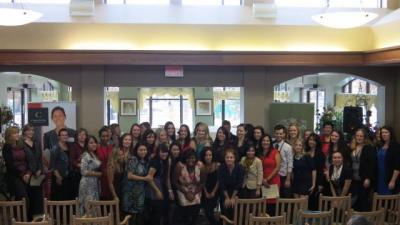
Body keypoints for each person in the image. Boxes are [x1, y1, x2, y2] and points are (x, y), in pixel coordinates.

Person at [3, 126, 32, 213]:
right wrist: (22, 175)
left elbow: (27, 160)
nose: (17, 134)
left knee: (25, 197)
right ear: (9, 135)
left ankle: (21, 219)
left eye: (17, 132)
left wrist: (28, 173)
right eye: (14, 133)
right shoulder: (7, 147)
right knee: (23, 198)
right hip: (15, 176)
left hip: (25, 174)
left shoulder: (21, 145)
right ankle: (23, 220)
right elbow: (10, 165)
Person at [174, 149, 206, 225]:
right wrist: (186, 193)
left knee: (195, 213)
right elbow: (175, 182)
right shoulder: (179, 166)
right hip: (182, 189)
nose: (191, 160)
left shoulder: (200, 166)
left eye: (193, 158)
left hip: (196, 189)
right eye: (188, 158)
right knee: (184, 214)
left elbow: (203, 182)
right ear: (185, 158)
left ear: (196, 158)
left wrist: (194, 193)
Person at [122, 142, 151, 225]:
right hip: (130, 191)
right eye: (140, 150)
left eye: (144, 150)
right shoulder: (133, 159)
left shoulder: (145, 160)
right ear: (136, 150)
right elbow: (129, 176)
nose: (143, 152)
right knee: (130, 216)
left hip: (140, 191)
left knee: (139, 214)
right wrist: (144, 178)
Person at [349, 128, 376, 211]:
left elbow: (372, 165)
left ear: (364, 137)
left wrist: (368, 178)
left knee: (363, 200)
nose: (359, 137)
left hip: (363, 178)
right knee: (354, 201)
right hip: (353, 178)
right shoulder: (352, 147)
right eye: (357, 135)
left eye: (361, 136)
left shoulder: (369, 148)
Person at [22, 124, 44, 219]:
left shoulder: (37, 142)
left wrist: (39, 169)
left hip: (38, 175)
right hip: (27, 174)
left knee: (38, 197)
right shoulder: (21, 143)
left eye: (32, 130)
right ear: (24, 131)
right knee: (29, 197)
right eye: (29, 130)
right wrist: (30, 172)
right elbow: (23, 160)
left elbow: (39, 158)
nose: (31, 132)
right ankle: (29, 219)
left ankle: (38, 218)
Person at [146, 143, 170, 225]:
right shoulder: (155, 162)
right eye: (162, 152)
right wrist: (157, 191)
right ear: (158, 152)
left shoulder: (164, 161)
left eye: (166, 152)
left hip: (161, 186)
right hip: (154, 189)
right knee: (156, 214)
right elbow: (149, 178)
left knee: (161, 212)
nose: (164, 154)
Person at [218, 148, 244, 221]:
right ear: (224, 158)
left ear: (235, 158)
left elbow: (239, 183)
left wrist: (232, 197)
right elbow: (221, 183)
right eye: (227, 157)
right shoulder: (221, 167)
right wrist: (227, 197)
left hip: (236, 192)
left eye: (231, 157)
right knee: (225, 211)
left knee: (235, 212)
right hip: (224, 192)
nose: (229, 159)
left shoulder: (240, 168)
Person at [78, 136, 102, 216]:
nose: (94, 144)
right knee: (88, 206)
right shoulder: (85, 155)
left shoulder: (94, 154)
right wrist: (98, 174)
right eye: (91, 143)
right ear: (87, 144)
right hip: (87, 184)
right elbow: (83, 171)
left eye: (95, 142)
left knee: (94, 206)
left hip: (94, 183)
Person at [259, 134, 280, 215]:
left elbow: (277, 167)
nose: (265, 142)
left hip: (273, 181)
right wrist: (262, 180)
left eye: (267, 141)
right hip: (262, 182)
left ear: (270, 142)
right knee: (264, 205)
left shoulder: (275, 152)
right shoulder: (259, 153)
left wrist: (267, 179)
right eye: (263, 140)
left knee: (272, 205)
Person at [51, 128, 73, 200]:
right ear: (59, 137)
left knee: (67, 197)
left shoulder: (69, 146)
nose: (65, 136)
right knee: (59, 198)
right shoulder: (55, 148)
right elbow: (53, 164)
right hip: (59, 177)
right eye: (62, 135)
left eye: (66, 135)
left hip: (68, 177)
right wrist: (58, 177)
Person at [376, 126, 400, 194]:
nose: (383, 134)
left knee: (389, 200)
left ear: (390, 134)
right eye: (382, 132)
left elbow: (397, 165)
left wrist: (393, 180)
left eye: (386, 132)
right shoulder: (381, 145)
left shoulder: (395, 145)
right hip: (379, 177)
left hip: (389, 178)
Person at [305, 133, 326, 210]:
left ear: (317, 142)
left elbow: (321, 170)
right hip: (306, 180)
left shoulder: (320, 153)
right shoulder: (305, 151)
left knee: (314, 203)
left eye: (314, 140)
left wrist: (320, 184)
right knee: (306, 202)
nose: (311, 142)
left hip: (317, 181)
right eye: (310, 140)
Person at [273, 124, 293, 198]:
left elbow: (290, 163)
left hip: (283, 176)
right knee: (275, 196)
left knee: (285, 197)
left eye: (281, 134)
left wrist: (288, 179)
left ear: (284, 134)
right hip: (274, 175)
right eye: (277, 133)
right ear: (274, 134)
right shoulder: (272, 145)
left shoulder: (288, 147)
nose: (278, 135)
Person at [200, 147, 219, 225]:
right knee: (207, 211)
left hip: (215, 190)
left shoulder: (217, 165)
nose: (208, 157)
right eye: (206, 155)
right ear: (203, 156)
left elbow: (219, 181)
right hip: (205, 191)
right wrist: (206, 193)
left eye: (210, 155)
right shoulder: (201, 166)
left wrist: (213, 192)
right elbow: (202, 181)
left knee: (209, 211)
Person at [70, 128, 87, 199]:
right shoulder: (74, 146)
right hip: (77, 173)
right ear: (76, 136)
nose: (82, 136)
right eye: (80, 135)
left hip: (88, 173)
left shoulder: (88, 146)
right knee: (77, 193)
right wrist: (79, 165)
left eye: (83, 134)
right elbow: (72, 160)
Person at [97, 126, 113, 200]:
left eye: (107, 136)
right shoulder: (96, 147)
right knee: (101, 197)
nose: (105, 138)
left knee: (109, 197)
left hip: (110, 176)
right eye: (103, 136)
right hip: (99, 176)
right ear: (100, 137)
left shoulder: (111, 148)